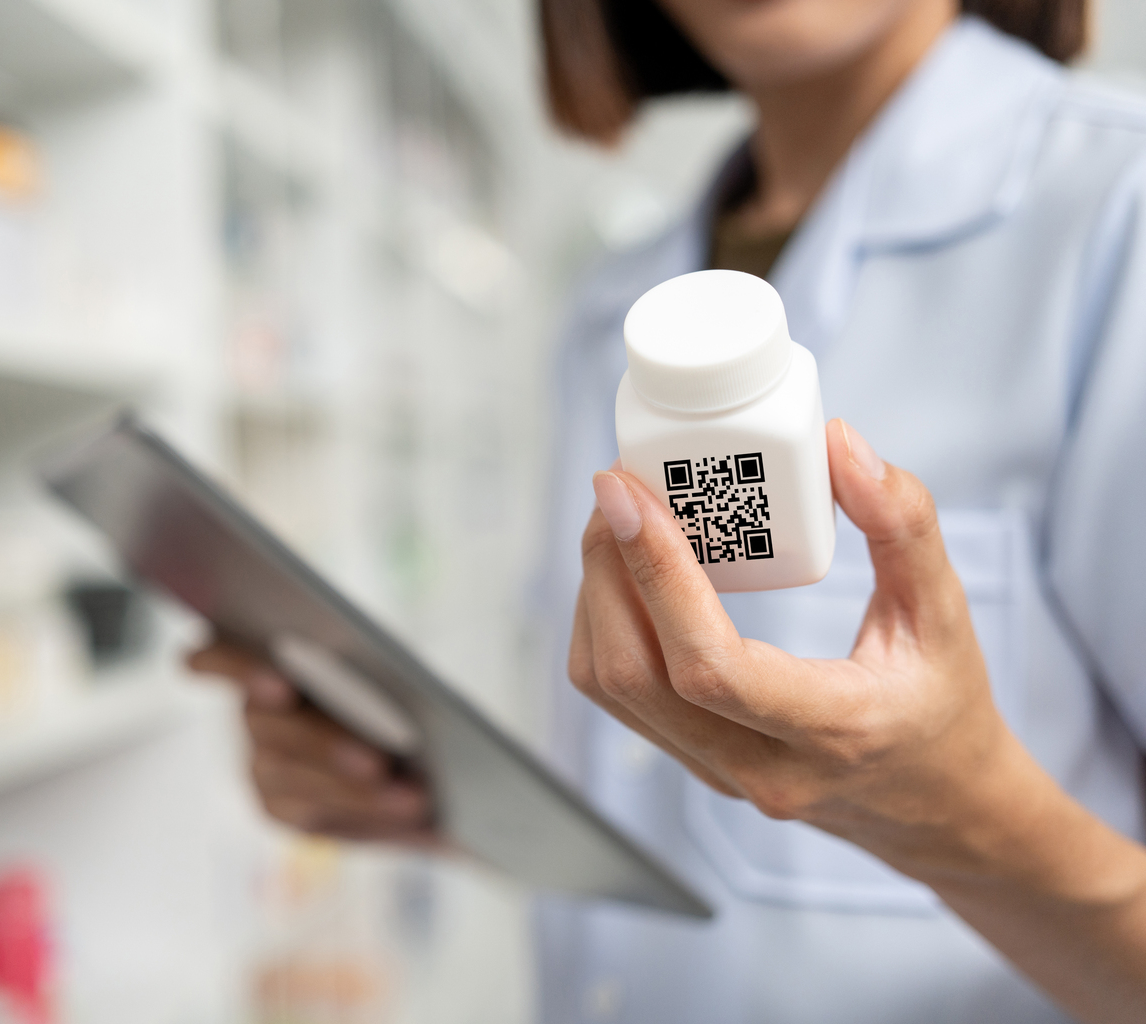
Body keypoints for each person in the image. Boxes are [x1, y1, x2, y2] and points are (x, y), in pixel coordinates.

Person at [189, 0, 1146, 1020]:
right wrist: (427, 790)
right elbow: (655, 795)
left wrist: (962, 822)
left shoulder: (1116, 211)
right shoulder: (614, 302)